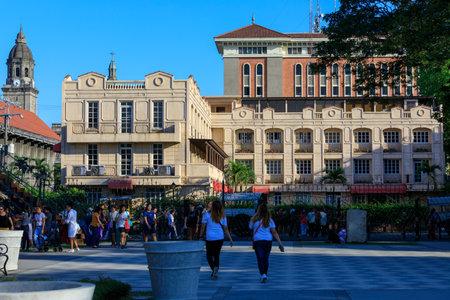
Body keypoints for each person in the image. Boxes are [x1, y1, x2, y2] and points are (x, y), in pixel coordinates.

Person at [249, 204, 284, 283]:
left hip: (258, 241)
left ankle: (263, 274)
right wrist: (280, 243)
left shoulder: (254, 219)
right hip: (268, 240)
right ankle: (265, 274)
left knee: (260, 258)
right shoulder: (270, 220)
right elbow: (274, 232)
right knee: (266, 258)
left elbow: (250, 227)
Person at [200, 200, 233, 280]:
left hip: (210, 238)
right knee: (216, 255)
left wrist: (200, 236)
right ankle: (216, 268)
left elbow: (203, 227)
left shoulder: (207, 215)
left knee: (209, 256)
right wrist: (230, 239)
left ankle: (213, 269)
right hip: (220, 238)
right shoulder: (223, 216)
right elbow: (226, 229)